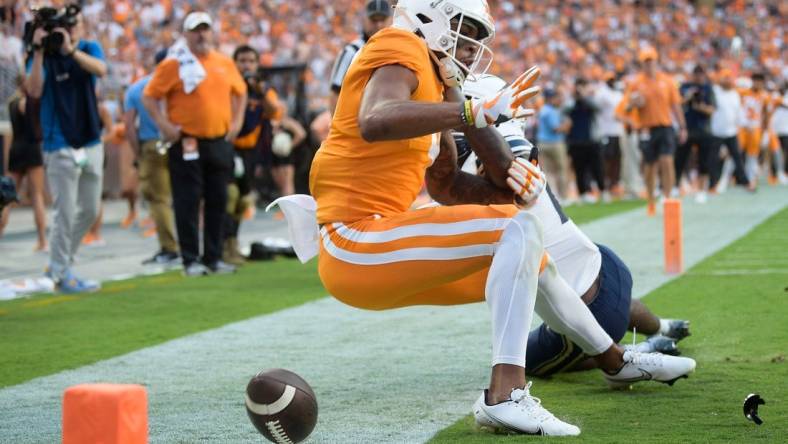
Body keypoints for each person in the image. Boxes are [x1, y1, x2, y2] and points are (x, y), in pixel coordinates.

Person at [308, 0, 589, 435]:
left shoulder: (436, 82)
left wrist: (516, 188)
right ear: (430, 15)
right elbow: (375, 119)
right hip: (354, 241)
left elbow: (447, 187)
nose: (474, 44)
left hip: (379, 246)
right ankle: (505, 396)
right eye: (467, 28)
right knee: (519, 230)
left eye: (480, 35)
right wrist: (471, 112)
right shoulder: (399, 43)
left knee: (530, 253)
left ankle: (614, 358)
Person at [458, 74, 695, 382]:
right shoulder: (503, 143)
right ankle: (663, 327)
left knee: (528, 361)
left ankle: (644, 348)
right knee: (606, 297)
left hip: (586, 306)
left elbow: (507, 165)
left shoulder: (501, 153)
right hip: (603, 263)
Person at [143, 12, 247, 276]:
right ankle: (190, 259)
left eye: (205, 29)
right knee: (187, 201)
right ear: (186, 34)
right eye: (196, 30)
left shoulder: (223, 62)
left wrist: (236, 123)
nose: (202, 34)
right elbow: (149, 96)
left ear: (212, 32)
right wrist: (164, 126)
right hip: (187, 141)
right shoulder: (175, 64)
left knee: (218, 199)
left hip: (218, 140)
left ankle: (212, 257)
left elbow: (241, 92)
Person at [25, 3, 107, 293]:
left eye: (74, 25)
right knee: (65, 212)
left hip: (90, 139)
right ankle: (61, 272)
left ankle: (59, 265)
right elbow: (34, 90)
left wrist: (71, 50)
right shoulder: (43, 54)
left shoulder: (88, 47)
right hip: (58, 142)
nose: (69, 30)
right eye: (65, 25)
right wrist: (36, 52)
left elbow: (101, 70)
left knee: (91, 209)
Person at [224, 44, 281, 265]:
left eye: (250, 61)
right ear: (235, 63)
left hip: (251, 151)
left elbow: (273, 111)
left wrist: (259, 90)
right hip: (229, 147)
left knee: (243, 199)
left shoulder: (263, 88)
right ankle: (223, 245)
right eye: (242, 61)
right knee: (229, 195)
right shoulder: (229, 86)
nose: (246, 65)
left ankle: (232, 243)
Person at [124, 49, 179, 265]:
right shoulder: (180, 85)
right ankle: (191, 245)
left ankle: (169, 248)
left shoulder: (137, 88)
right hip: (180, 142)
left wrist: (139, 154)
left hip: (152, 144)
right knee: (185, 197)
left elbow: (129, 126)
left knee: (159, 199)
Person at [622, 47, 687, 216]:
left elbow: (676, 105)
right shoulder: (636, 83)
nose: (649, 65)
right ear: (642, 64)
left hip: (665, 126)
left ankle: (668, 197)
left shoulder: (667, 81)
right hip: (646, 128)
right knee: (650, 166)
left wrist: (682, 126)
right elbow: (626, 107)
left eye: (651, 61)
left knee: (667, 161)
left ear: (656, 62)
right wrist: (634, 103)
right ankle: (651, 200)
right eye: (646, 62)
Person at [3, 75, 48, 252]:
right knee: (37, 195)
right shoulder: (27, 103)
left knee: (6, 198)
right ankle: (43, 240)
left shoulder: (11, 103)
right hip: (31, 149)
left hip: (16, 149)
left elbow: (11, 133)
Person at [327, 0, 392, 115]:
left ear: (391, 19)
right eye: (374, 20)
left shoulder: (396, 49)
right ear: (365, 20)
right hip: (356, 122)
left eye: (382, 19)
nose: (379, 25)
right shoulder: (351, 51)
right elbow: (335, 93)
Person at [676, 65, 715, 203]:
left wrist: (700, 107)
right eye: (696, 74)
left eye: (701, 74)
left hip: (704, 129)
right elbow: (677, 104)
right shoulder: (685, 87)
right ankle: (676, 187)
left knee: (703, 162)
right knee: (680, 159)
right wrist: (688, 97)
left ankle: (701, 190)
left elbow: (712, 109)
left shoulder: (708, 89)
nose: (698, 77)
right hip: (687, 128)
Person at [709, 69, 750, 192]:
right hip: (716, 131)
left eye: (728, 78)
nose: (727, 80)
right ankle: (713, 184)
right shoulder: (715, 91)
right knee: (713, 159)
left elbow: (738, 112)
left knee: (737, 157)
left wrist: (744, 124)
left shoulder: (734, 94)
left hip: (731, 131)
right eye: (725, 78)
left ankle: (744, 182)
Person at [566, 78, 604, 203]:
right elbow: (564, 110)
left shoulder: (591, 99)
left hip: (592, 140)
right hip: (576, 142)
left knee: (597, 168)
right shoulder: (571, 101)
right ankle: (583, 194)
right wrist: (575, 98)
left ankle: (603, 191)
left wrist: (584, 97)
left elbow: (598, 108)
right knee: (579, 169)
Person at [592, 72, 625, 197]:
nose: (612, 81)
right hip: (606, 130)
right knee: (606, 160)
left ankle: (614, 184)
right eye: (610, 80)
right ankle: (605, 185)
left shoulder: (616, 93)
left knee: (617, 159)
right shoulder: (603, 93)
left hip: (618, 131)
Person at [536, 88, 571, 201]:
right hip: (554, 143)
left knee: (547, 172)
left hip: (542, 143)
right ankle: (563, 196)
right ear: (550, 99)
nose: (558, 99)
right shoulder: (551, 111)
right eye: (555, 97)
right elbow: (556, 128)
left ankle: (552, 196)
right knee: (561, 170)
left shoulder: (543, 109)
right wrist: (567, 125)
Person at [738, 72, 771, 188]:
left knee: (752, 156)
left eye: (760, 81)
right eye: (756, 80)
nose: (758, 83)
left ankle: (750, 179)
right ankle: (724, 179)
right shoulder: (743, 92)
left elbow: (766, 114)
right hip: (742, 127)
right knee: (735, 153)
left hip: (755, 127)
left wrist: (765, 131)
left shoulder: (765, 96)